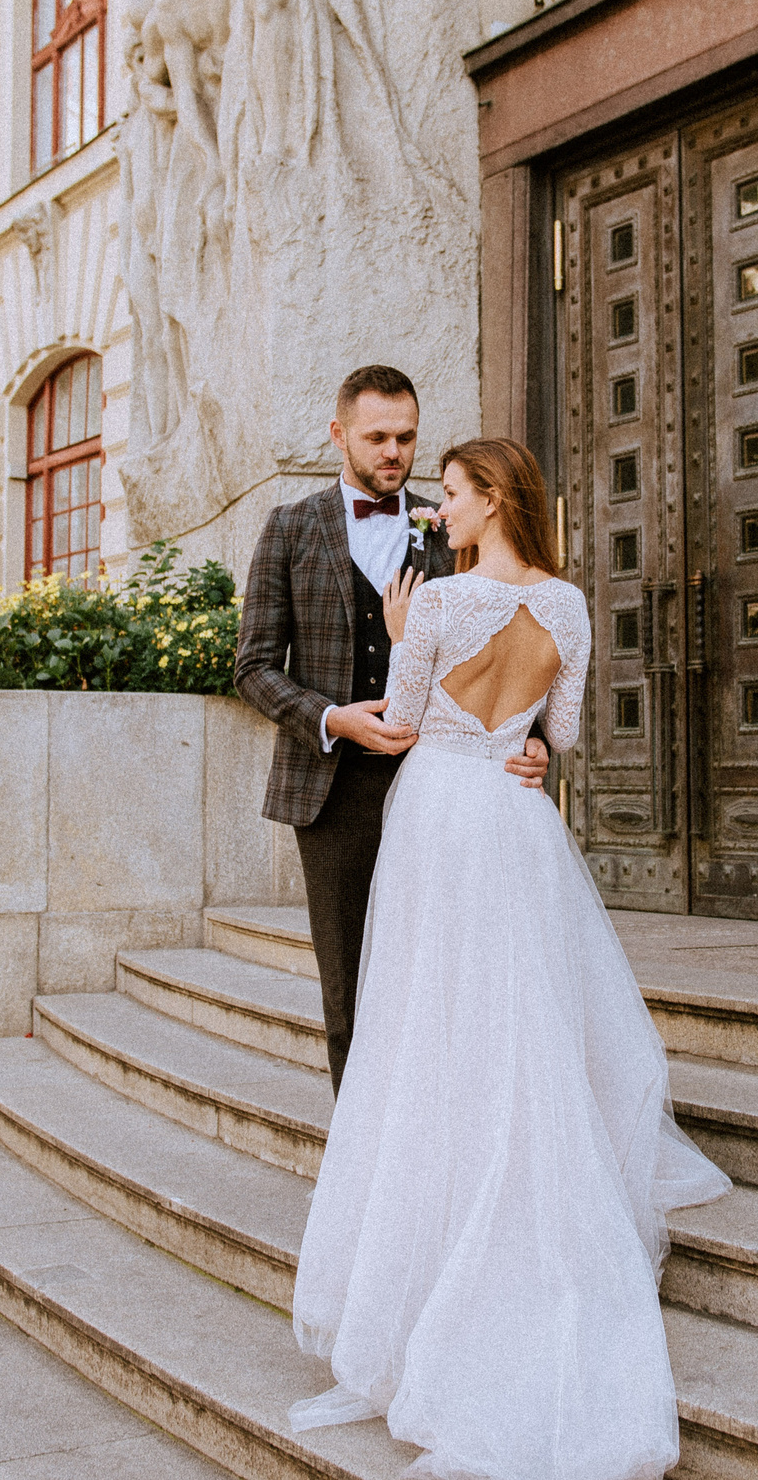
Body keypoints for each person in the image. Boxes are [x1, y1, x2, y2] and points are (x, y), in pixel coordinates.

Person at [287, 436, 730, 1480]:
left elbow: (398, 723)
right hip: (515, 818)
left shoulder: (435, 605)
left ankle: (433, 1258)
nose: (439, 513)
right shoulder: (571, 604)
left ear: (491, 500)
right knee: (518, 1018)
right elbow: (560, 734)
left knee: (428, 1019)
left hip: (440, 811)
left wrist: (401, 632)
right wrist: (521, 744)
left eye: (450, 495)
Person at [236, 366, 548, 1089]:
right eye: (376, 437)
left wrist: (537, 743)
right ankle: (363, 1171)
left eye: (406, 437)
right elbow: (253, 666)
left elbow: (521, 647)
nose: (393, 452)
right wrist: (330, 718)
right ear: (339, 434)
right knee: (348, 988)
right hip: (333, 793)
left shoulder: (456, 528)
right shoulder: (289, 526)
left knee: (446, 977)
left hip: (443, 784)